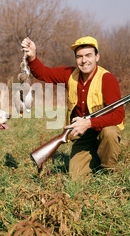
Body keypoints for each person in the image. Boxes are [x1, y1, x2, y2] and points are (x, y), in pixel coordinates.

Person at [21, 36, 124, 180]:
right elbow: (43, 73)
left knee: (110, 132)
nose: (84, 60)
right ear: (76, 59)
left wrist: (89, 123)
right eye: (79, 57)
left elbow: (118, 115)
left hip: (102, 131)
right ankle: (94, 157)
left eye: (89, 55)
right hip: (82, 136)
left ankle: (108, 171)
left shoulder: (107, 79)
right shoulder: (70, 74)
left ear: (97, 57)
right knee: (75, 178)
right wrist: (32, 56)